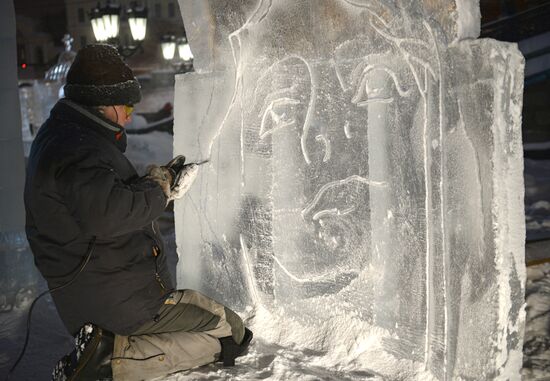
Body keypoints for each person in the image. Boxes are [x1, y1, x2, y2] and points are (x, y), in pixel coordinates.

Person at [24, 44, 252, 380]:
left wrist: (155, 184)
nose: (131, 114)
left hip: (104, 289)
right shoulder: (78, 150)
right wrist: (159, 190)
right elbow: (110, 213)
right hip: (120, 301)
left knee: (210, 320)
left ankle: (109, 347)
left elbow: (99, 198)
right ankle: (109, 361)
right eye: (127, 105)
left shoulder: (65, 135)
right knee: (233, 333)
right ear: (102, 104)